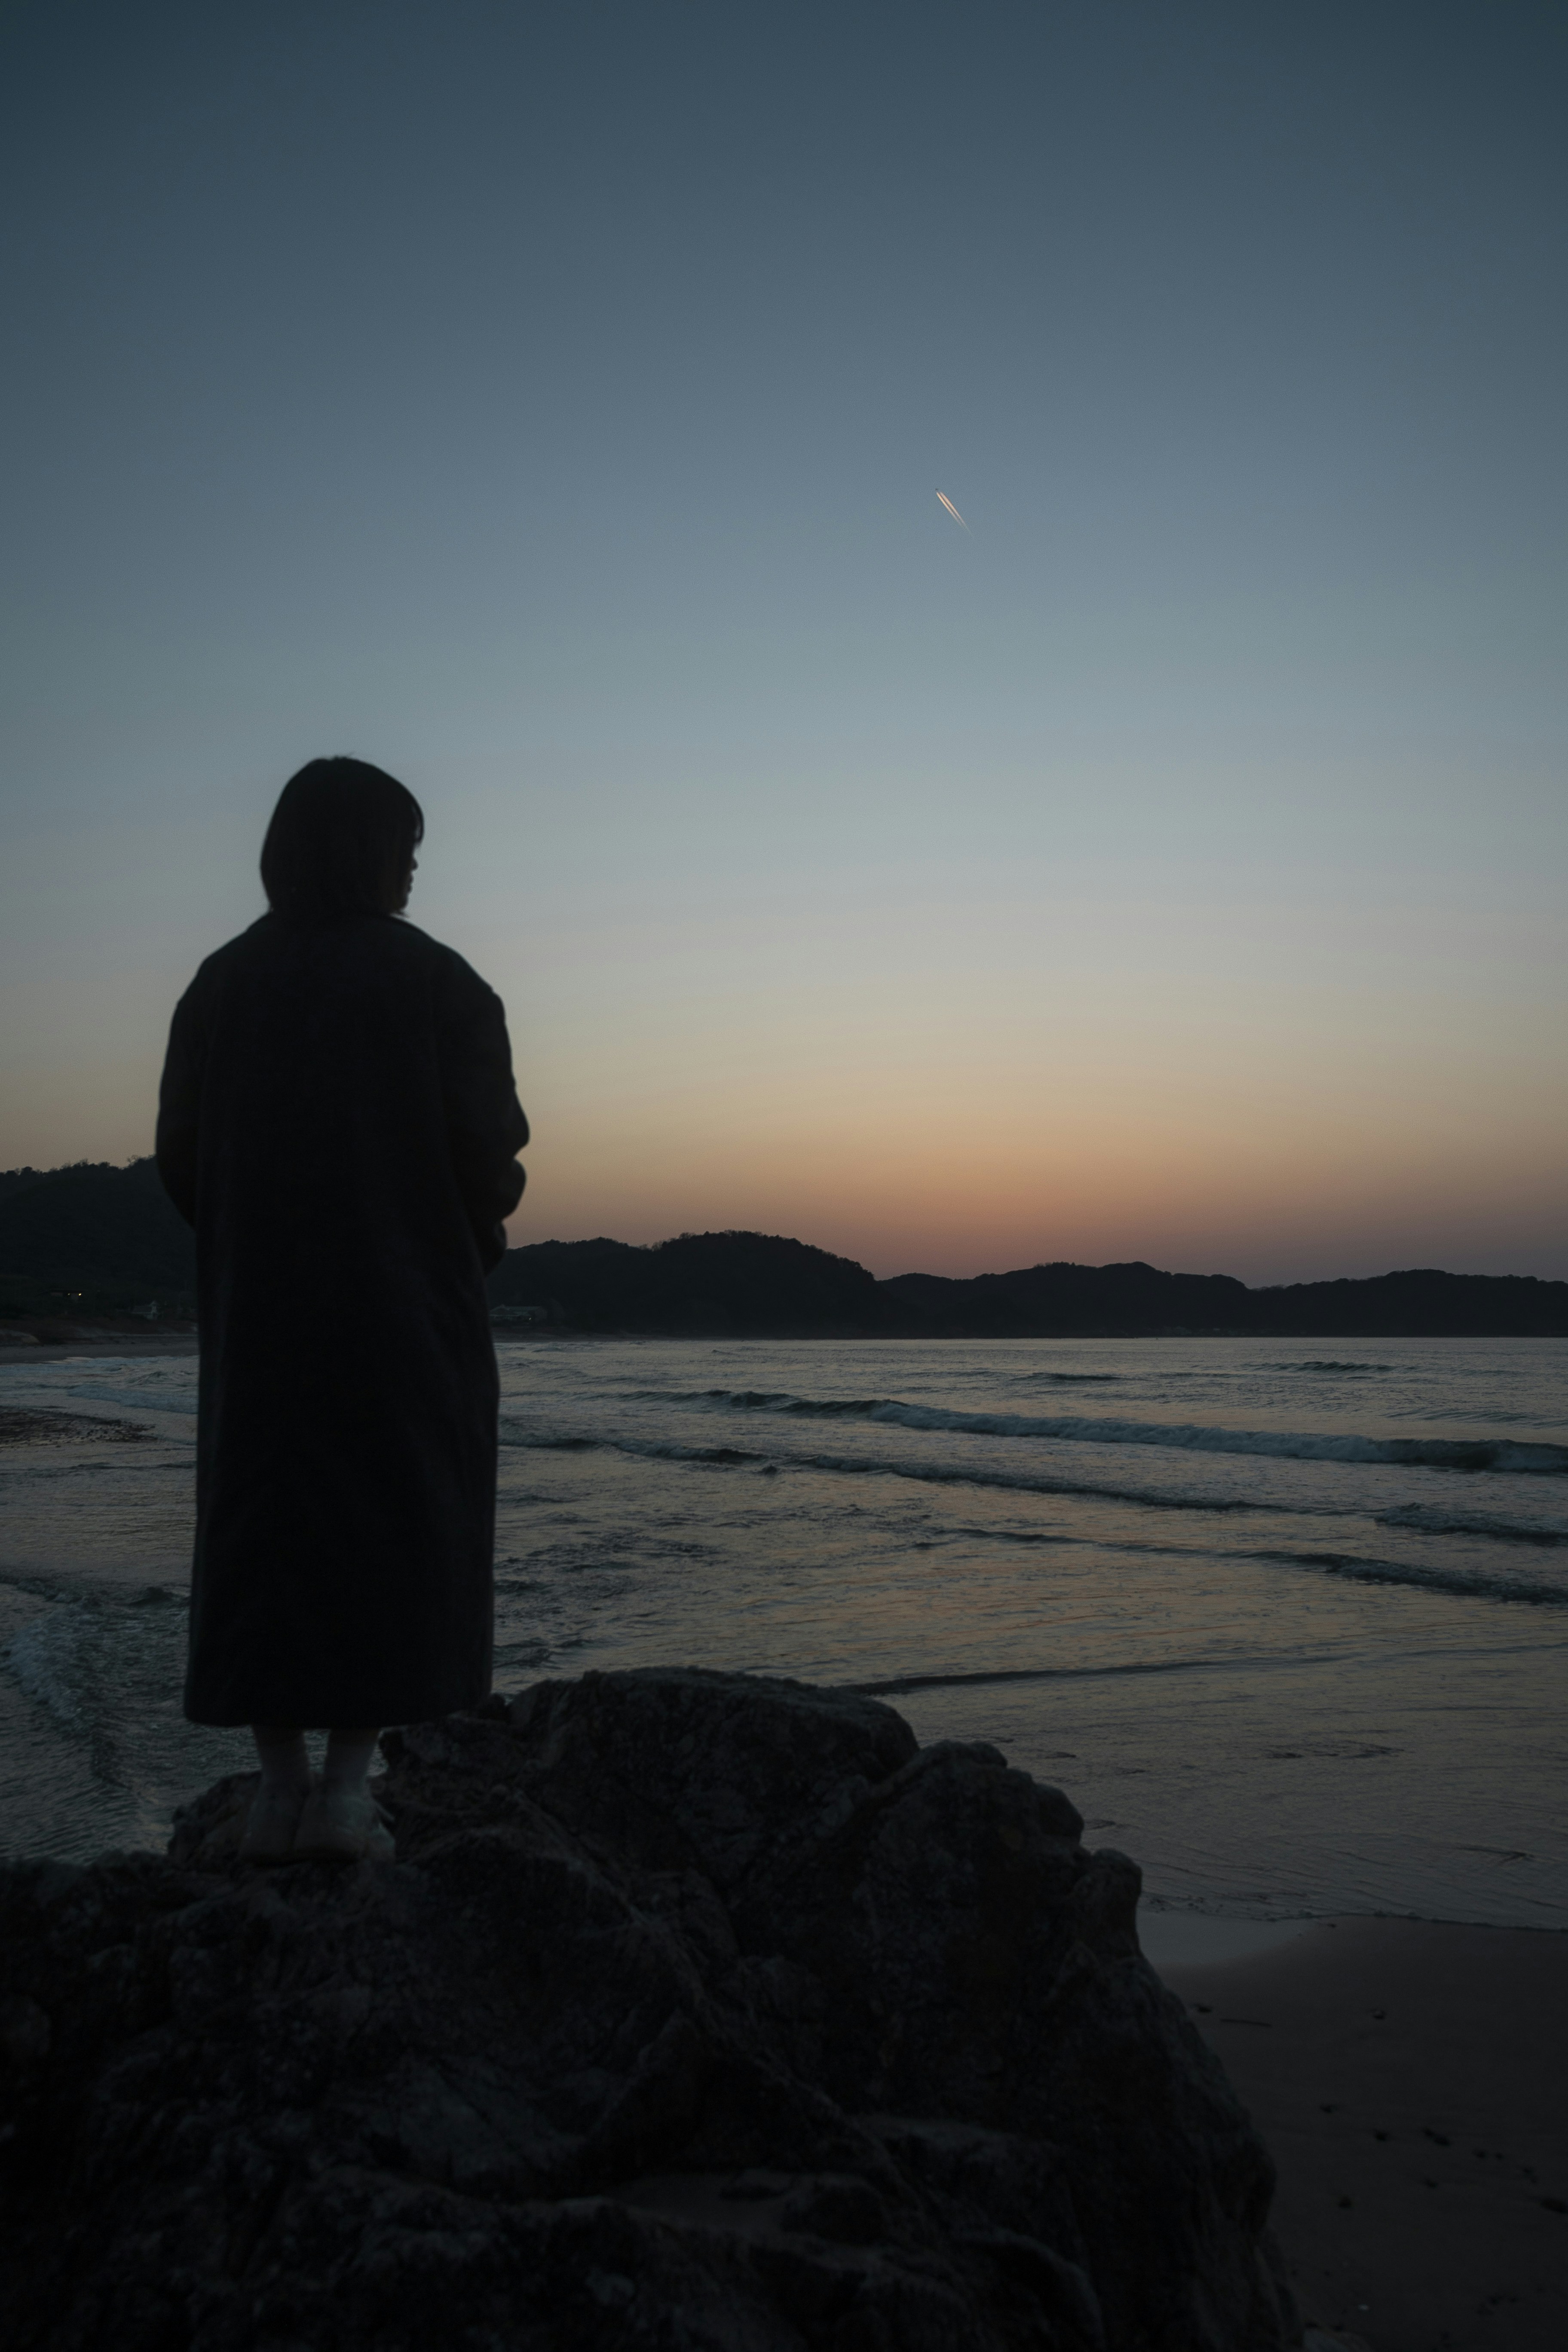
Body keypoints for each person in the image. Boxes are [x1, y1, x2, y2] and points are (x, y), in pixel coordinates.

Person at [156, 757, 529, 1862]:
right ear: (368, 851)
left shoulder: (218, 985)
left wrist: (249, 1236)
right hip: (405, 1306)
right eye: (405, 848)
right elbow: (491, 1155)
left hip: (261, 1308)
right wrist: (465, 1234)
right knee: (392, 1521)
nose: (414, 869)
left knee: (265, 1524)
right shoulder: (439, 983)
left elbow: (182, 1157)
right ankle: (351, 1795)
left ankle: (278, 1792)